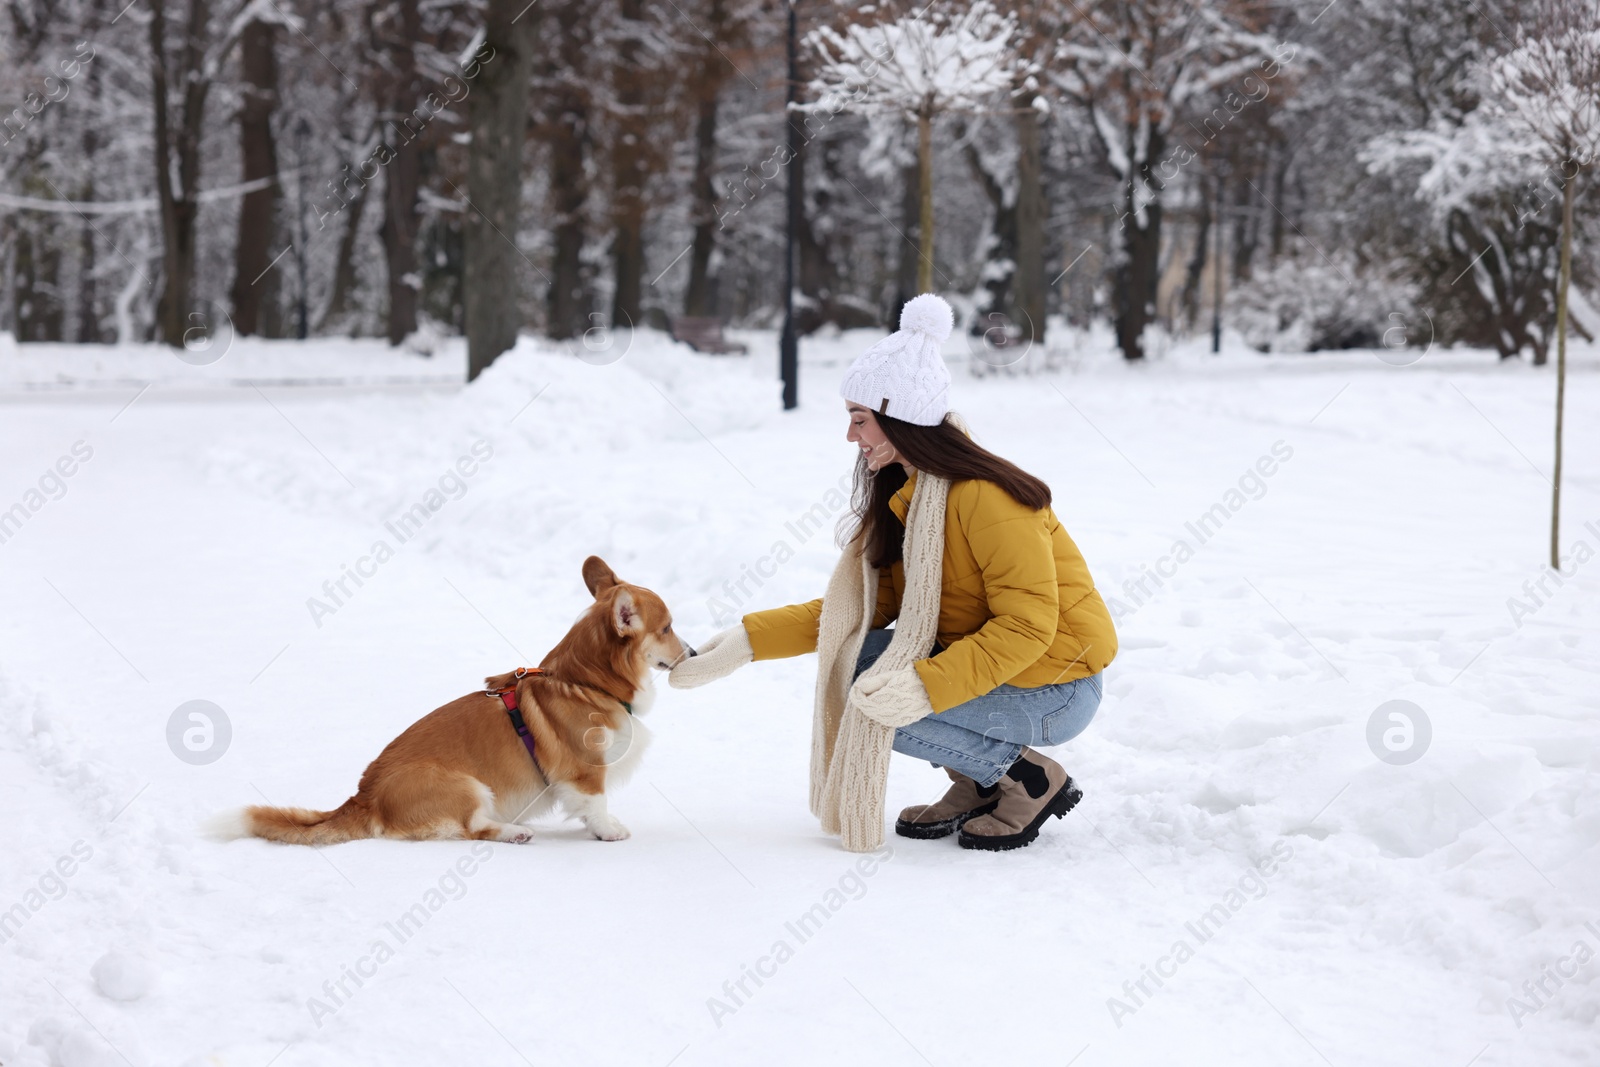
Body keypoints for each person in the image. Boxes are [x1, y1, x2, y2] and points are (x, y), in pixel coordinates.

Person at [670, 294, 1116, 851]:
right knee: (851, 658)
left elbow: (1028, 628)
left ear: (901, 419)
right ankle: (978, 780)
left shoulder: (988, 498)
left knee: (877, 699)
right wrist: (749, 641)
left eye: (861, 421)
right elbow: (857, 613)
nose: (851, 438)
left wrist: (922, 688)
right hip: (1000, 670)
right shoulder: (911, 500)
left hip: (1055, 686)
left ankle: (1027, 779)